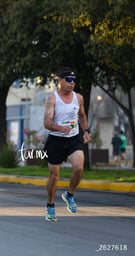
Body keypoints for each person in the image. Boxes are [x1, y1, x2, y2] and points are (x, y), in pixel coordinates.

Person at [43, 67, 91, 222]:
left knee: (78, 167)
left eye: (74, 80)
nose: (72, 83)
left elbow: (82, 116)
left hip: (73, 138)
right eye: (69, 80)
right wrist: (59, 128)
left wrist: (86, 131)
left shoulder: (79, 98)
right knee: (54, 176)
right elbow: (47, 123)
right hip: (56, 140)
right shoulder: (52, 99)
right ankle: (50, 206)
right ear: (60, 80)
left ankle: (69, 195)